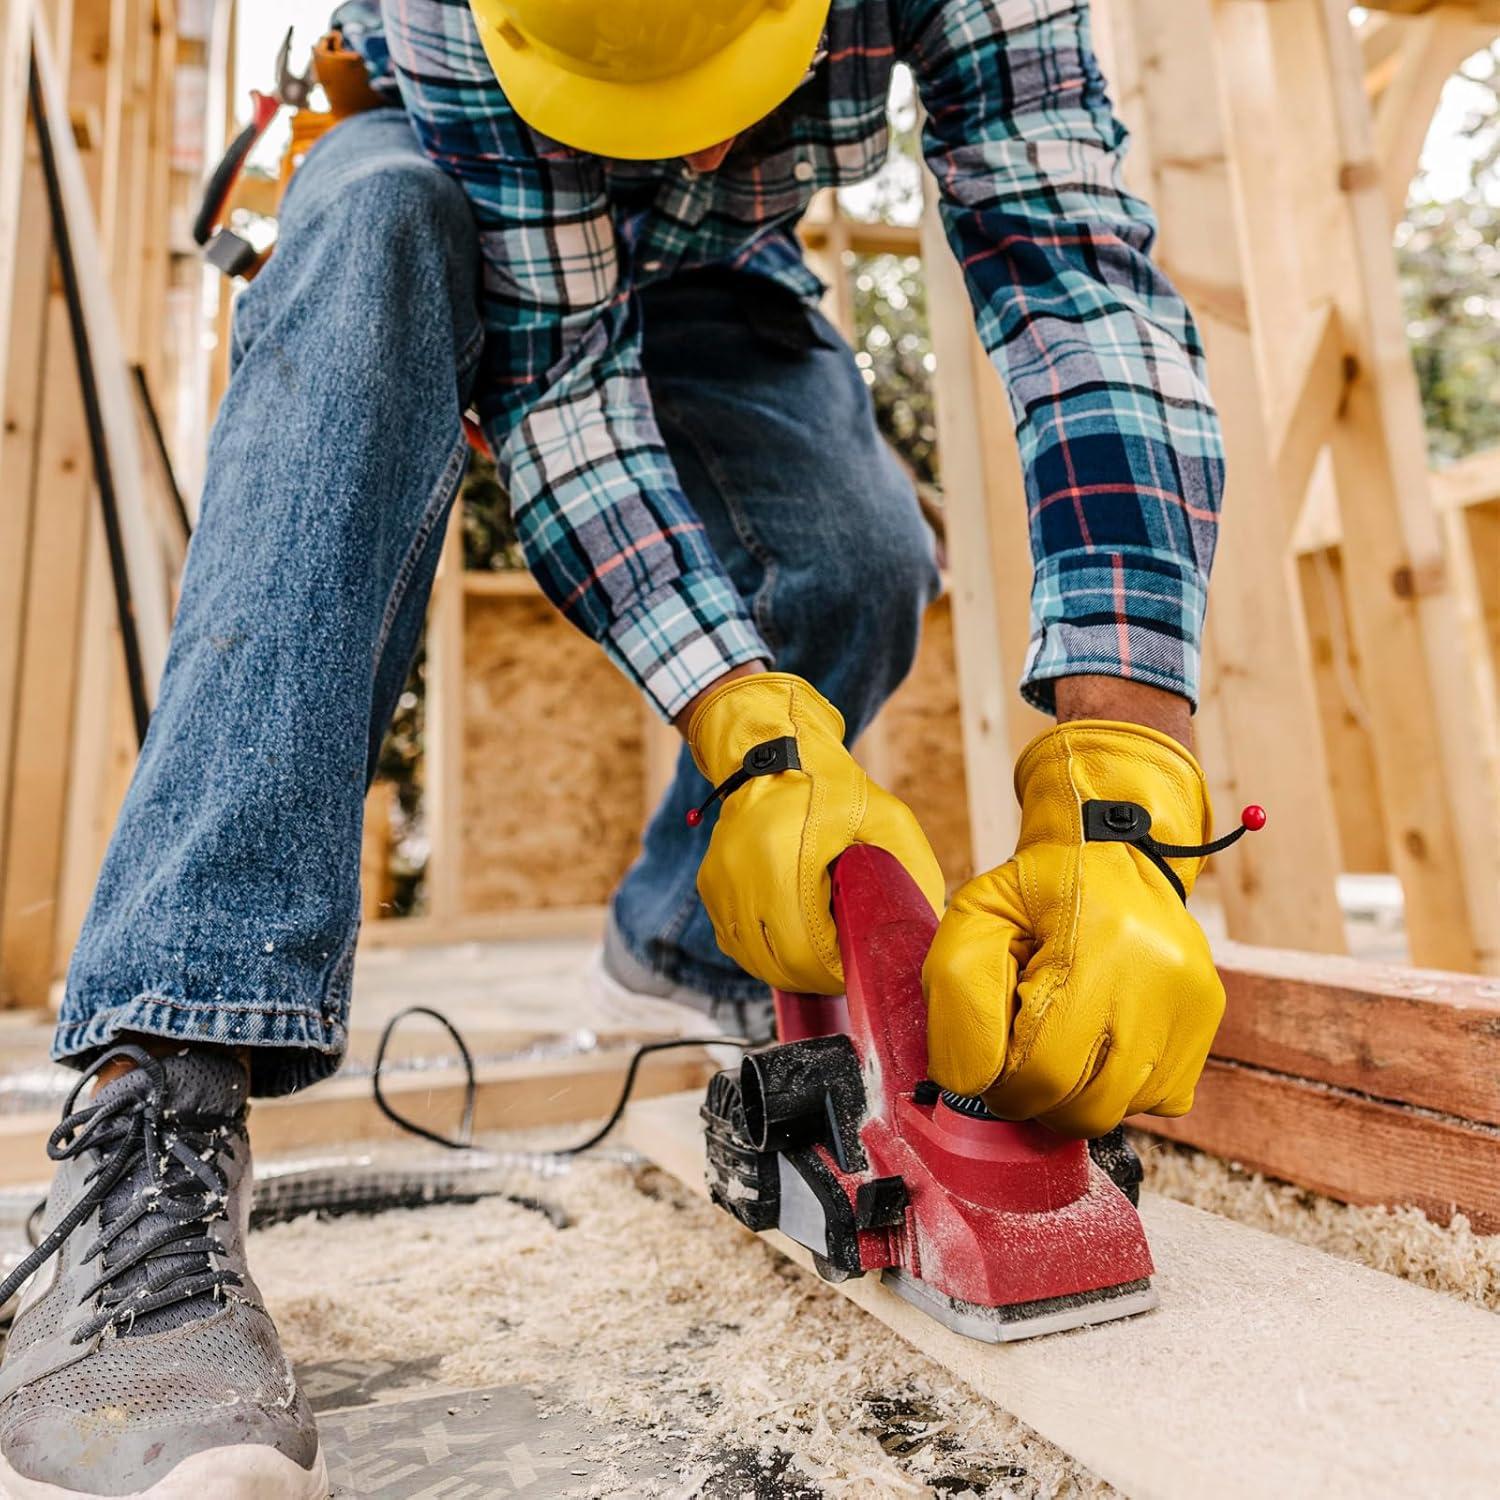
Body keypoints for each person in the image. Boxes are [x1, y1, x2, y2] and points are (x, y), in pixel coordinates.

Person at [0, 1, 1230, 1494]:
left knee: (852, 558)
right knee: (373, 236)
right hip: (462, 192)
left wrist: (1128, 775)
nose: (702, 139)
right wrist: (746, 725)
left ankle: (677, 947)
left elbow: (1077, 285)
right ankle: (155, 1092)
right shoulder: (441, 18)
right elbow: (566, 395)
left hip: (723, 272)